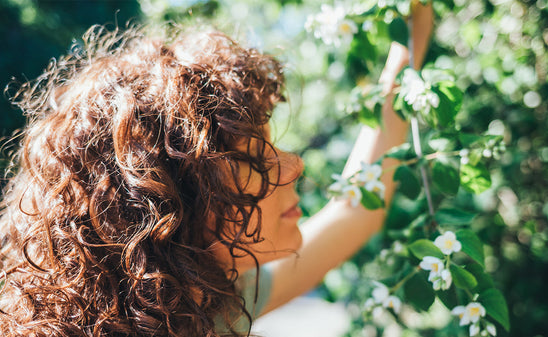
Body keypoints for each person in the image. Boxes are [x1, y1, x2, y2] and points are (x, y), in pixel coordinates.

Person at [0, 3, 433, 337]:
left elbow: (356, 211)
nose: (296, 165)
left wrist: (411, 34)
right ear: (169, 206)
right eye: (255, 158)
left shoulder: (212, 302)